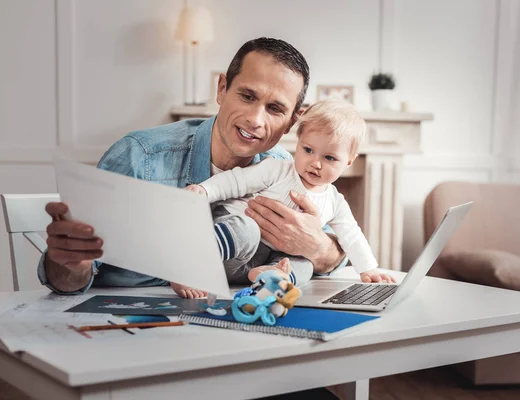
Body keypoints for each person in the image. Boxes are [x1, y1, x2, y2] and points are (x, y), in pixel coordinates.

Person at [39, 37, 347, 297]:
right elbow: (68, 281)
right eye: (247, 96)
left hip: (231, 328)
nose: (255, 119)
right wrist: (70, 263)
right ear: (222, 89)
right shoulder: (139, 157)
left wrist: (317, 247)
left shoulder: (288, 171)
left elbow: (335, 255)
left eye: (275, 108)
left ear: (293, 121)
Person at [174, 98, 395, 298]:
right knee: (247, 229)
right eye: (308, 150)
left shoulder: (335, 202)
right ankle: (189, 262)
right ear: (298, 142)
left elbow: (352, 235)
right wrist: (205, 190)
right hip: (236, 242)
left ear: (349, 161)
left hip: (254, 265)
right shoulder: (278, 169)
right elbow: (237, 181)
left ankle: (272, 279)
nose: (315, 163)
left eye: (329, 157)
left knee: (305, 264)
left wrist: (368, 269)